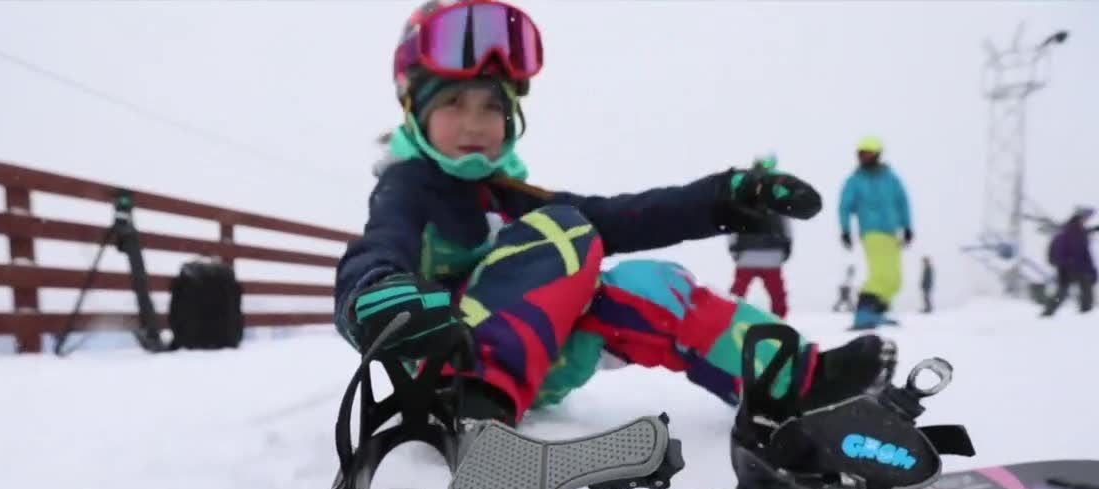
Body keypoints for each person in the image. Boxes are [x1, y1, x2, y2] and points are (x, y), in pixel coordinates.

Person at [336, 0, 895, 434]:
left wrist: (725, 196)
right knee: (565, 227)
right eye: (453, 105)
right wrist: (378, 292)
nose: (475, 124)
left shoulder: (508, 195)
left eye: (492, 107)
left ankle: (795, 382)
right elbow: (379, 245)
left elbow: (626, 216)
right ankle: (472, 401)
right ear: (413, 111)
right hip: (440, 367)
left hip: (518, 373)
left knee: (652, 286)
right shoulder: (409, 185)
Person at [839, 136, 912, 329]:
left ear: (878, 154)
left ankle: (876, 311)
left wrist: (907, 226)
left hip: (892, 231)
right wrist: (845, 229)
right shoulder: (855, 180)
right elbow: (845, 206)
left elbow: (902, 202)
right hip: (872, 231)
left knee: (896, 279)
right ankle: (864, 312)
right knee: (880, 275)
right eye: (861, 154)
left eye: (869, 153)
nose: (864, 158)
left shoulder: (891, 178)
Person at [728, 154, 791, 317]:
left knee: (736, 295)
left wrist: (734, 249)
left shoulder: (742, 194)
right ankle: (779, 325)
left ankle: (731, 322)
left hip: (746, 255)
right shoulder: (777, 194)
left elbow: (732, 222)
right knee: (778, 297)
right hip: (772, 255)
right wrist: (787, 246)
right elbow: (785, 223)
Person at [1041, 206, 1098, 316]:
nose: (1086, 220)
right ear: (1078, 217)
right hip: (1066, 268)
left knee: (1084, 290)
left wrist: (1093, 271)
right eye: (1085, 217)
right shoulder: (1068, 232)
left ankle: (1086, 315)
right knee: (1064, 291)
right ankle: (1048, 314)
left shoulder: (1082, 233)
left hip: (1078, 268)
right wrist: (1064, 263)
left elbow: (1086, 254)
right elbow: (1058, 250)